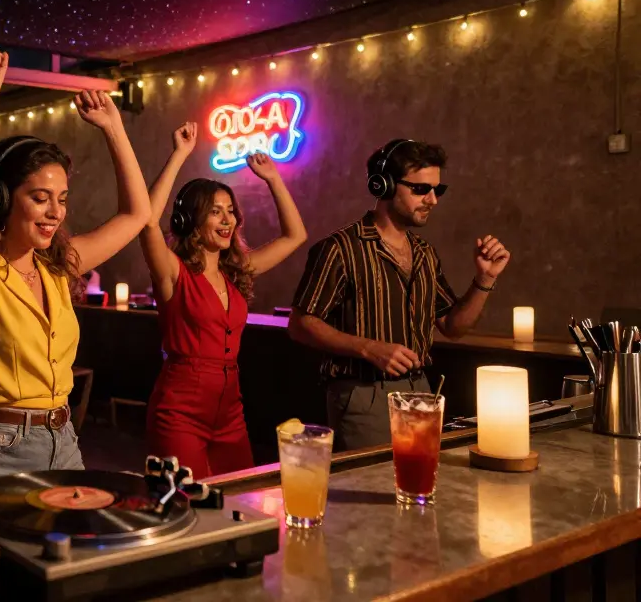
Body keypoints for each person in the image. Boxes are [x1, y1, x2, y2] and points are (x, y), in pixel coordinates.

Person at [0, 47, 150, 491]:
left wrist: (115, 128)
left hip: (65, 438)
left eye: (61, 199)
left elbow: (137, 215)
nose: (55, 211)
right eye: (40, 197)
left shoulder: (58, 266)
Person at [288, 139, 511, 451]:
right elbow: (300, 324)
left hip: (421, 390)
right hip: (364, 393)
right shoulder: (340, 249)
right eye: (421, 189)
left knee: (419, 492)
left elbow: (454, 326)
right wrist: (368, 348)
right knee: (374, 492)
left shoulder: (425, 254)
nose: (432, 200)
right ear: (384, 185)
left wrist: (484, 279)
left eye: (438, 190)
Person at [142, 122, 307, 478]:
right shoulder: (174, 271)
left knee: (239, 500)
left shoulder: (236, 273)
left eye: (230, 210)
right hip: (180, 409)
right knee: (186, 504)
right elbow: (147, 222)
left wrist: (273, 179)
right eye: (215, 210)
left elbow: (295, 235)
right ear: (191, 220)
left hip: (230, 409)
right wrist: (179, 154)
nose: (227, 219)